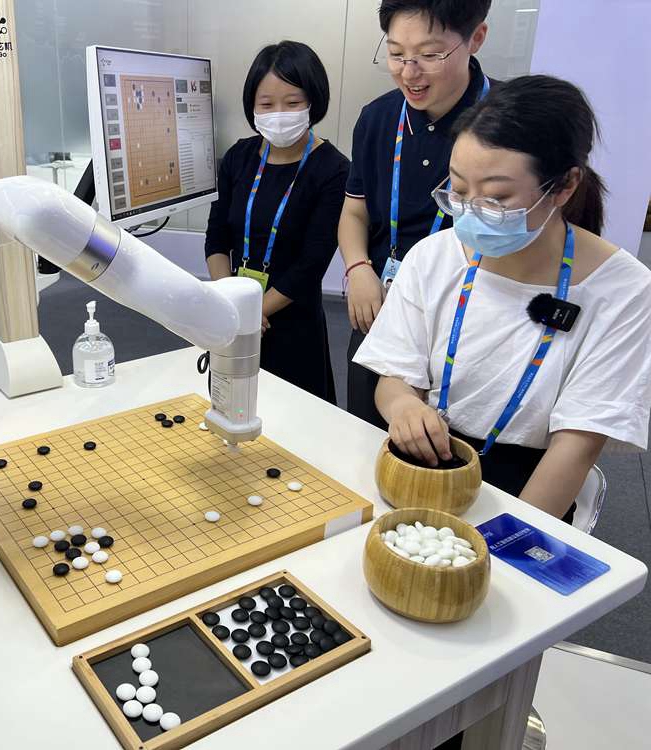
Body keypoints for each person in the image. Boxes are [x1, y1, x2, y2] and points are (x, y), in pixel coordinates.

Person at [353, 75, 651, 525]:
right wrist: (404, 406)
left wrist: (508, 540)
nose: (471, 212)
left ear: (565, 185)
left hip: (531, 487)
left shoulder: (622, 290)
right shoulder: (434, 257)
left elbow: (577, 443)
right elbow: (394, 375)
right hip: (425, 466)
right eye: (458, 190)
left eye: (496, 198)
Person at [338, 0, 493, 426]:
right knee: (365, 434)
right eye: (396, 53)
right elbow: (354, 213)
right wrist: (358, 269)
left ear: (476, 38)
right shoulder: (378, 118)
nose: (409, 73)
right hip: (381, 309)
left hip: (466, 321)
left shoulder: (507, 124)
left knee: (444, 445)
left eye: (429, 55)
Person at [205, 40, 349, 403]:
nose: (279, 114)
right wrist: (230, 304)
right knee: (229, 408)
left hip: (292, 322)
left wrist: (254, 312)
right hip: (235, 319)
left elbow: (311, 263)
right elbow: (217, 237)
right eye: (267, 104)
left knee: (292, 419)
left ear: (313, 101)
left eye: (293, 102)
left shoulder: (333, 170)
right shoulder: (238, 157)